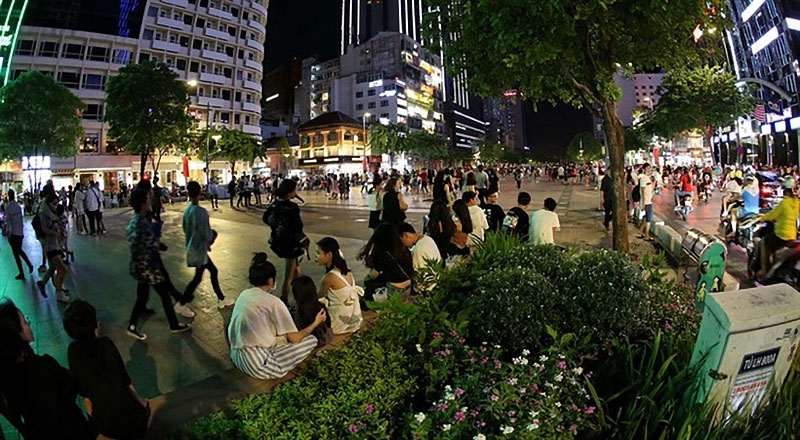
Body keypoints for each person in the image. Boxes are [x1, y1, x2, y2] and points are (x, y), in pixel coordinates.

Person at [0, 300, 95, 439]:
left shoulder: (7, 376)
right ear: (17, 335)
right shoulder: (43, 366)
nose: (29, 324)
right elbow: (70, 388)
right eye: (25, 322)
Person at [62, 300, 150, 440]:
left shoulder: (73, 351)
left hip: (106, 425)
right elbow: (125, 381)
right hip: (133, 420)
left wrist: (93, 420)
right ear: (94, 326)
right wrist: (142, 403)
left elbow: (85, 394)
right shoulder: (106, 344)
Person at [228, 253, 325, 379]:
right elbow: (295, 339)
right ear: (270, 280)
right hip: (259, 365)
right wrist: (316, 323)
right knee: (311, 340)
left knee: (281, 337)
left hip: (237, 355)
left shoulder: (244, 294)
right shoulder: (274, 303)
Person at [126, 187, 191, 338]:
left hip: (139, 265)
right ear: (143, 203)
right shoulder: (142, 223)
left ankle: (132, 325)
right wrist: (158, 241)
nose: (150, 201)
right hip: (148, 267)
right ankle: (173, 324)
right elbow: (151, 244)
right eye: (148, 199)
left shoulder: (136, 220)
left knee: (142, 297)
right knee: (164, 294)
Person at [181, 181, 234, 312]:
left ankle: (221, 298)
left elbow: (185, 228)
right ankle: (182, 303)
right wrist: (212, 236)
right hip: (199, 249)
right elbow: (205, 233)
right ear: (200, 192)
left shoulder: (188, 211)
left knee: (204, 275)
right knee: (202, 276)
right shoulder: (201, 212)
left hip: (193, 247)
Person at [263, 179, 306, 303]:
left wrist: (277, 227)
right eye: (294, 190)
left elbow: (265, 219)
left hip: (277, 240)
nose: (295, 193)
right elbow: (298, 227)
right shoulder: (292, 207)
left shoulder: (274, 205)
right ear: (290, 192)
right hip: (290, 244)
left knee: (295, 269)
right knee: (289, 275)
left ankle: (300, 294)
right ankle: (284, 299)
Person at [314, 237, 363, 334]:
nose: (316, 256)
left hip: (339, 324)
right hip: (354, 321)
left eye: (318, 253)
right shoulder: (347, 271)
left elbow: (318, 296)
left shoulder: (329, 277)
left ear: (329, 255)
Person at [758, 177, 800, 278]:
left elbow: (772, 215)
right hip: (792, 236)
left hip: (781, 234)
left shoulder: (784, 203)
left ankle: (764, 270)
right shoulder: (797, 203)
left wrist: (762, 219)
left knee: (764, 242)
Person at [357, 223, 414, 298]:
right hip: (407, 288)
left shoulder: (382, 254)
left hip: (393, 289)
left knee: (368, 288)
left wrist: (367, 279)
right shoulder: (404, 250)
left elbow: (374, 275)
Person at [36, 195, 70, 302]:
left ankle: (44, 284)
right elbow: (45, 229)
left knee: (52, 268)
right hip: (51, 246)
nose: (56, 205)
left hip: (53, 245)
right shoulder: (45, 213)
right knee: (62, 269)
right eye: (55, 202)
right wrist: (56, 233)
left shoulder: (47, 211)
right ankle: (59, 292)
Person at [291, 276, 333, 347]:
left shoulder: (300, 313)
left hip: (311, 344)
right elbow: (329, 324)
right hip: (326, 338)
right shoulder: (320, 306)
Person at [4, 190, 34, 281]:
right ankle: (28, 265)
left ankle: (22, 272)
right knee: (19, 251)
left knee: (16, 254)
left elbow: (9, 223)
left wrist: (8, 234)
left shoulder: (8, 207)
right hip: (20, 233)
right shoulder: (17, 207)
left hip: (13, 234)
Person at [637, 163, 655, 241]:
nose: (649, 169)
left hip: (648, 201)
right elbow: (643, 191)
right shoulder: (643, 178)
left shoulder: (648, 178)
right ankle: (647, 235)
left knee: (646, 217)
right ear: (644, 169)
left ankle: (641, 231)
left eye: (650, 168)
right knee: (649, 219)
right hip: (646, 202)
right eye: (647, 168)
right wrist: (643, 203)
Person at [600, 168, 614, 233]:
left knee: (614, 211)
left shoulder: (613, 179)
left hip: (612, 198)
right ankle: (606, 226)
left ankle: (607, 221)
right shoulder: (604, 180)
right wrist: (602, 199)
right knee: (607, 212)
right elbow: (602, 190)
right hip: (606, 198)